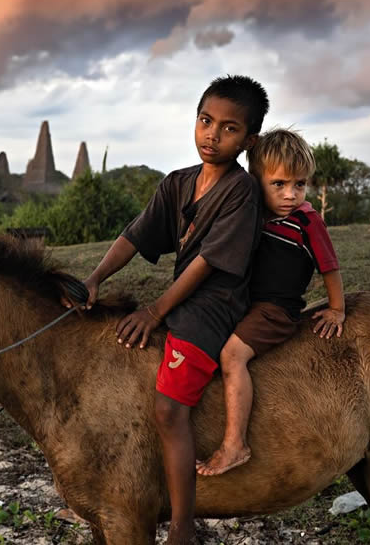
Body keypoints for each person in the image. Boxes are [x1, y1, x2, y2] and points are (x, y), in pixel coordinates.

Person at [71, 75, 269, 545]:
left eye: (228, 129)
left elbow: (206, 263)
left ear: (249, 140)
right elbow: (136, 234)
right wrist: (95, 278)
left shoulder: (241, 192)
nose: (212, 136)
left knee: (168, 409)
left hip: (215, 305)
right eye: (205, 121)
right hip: (186, 298)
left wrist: (156, 311)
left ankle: (182, 525)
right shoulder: (178, 183)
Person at [195, 128, 345, 477]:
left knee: (232, 357)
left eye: (300, 184)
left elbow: (330, 267)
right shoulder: (255, 217)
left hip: (274, 311)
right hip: (245, 303)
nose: (291, 195)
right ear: (256, 180)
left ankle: (235, 444)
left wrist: (337, 308)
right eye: (279, 184)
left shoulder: (308, 222)